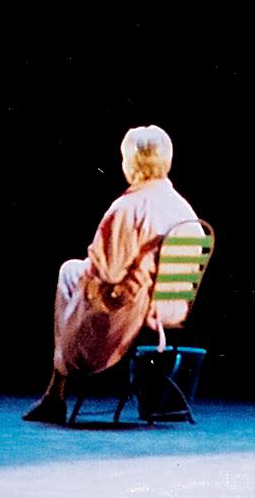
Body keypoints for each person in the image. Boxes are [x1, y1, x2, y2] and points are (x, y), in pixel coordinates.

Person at [24, 125, 203, 423]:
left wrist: (91, 275)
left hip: (131, 309)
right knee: (72, 272)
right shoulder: (183, 208)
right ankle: (55, 388)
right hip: (171, 307)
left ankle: (57, 389)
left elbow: (107, 271)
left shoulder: (128, 207)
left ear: (131, 162)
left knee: (70, 274)